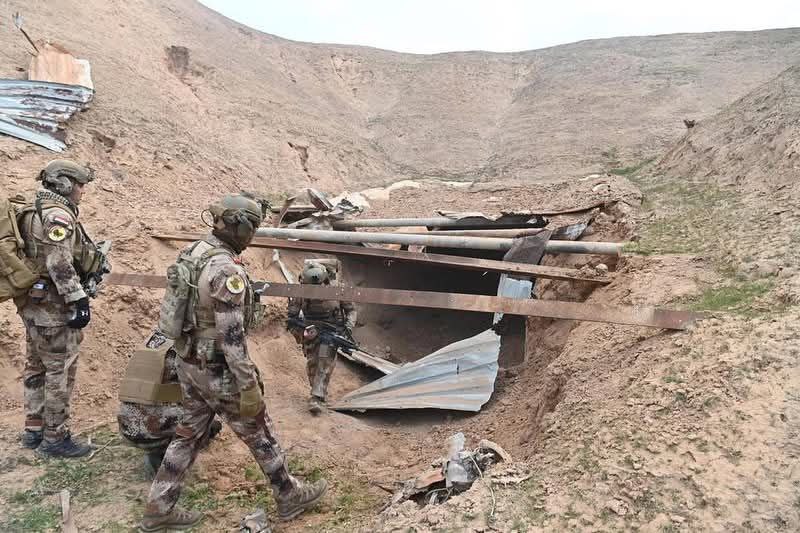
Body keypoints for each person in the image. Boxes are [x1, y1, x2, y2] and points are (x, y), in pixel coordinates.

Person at [139, 193, 327, 532]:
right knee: (260, 429)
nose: (252, 235)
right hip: (218, 369)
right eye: (252, 227)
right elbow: (232, 339)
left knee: (187, 434)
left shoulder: (194, 252)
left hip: (189, 361)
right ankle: (289, 494)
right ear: (240, 226)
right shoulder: (226, 270)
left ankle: (159, 506)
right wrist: (248, 384)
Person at [16, 159, 104, 458]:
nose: (82, 191)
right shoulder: (57, 215)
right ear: (64, 183)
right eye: (80, 184)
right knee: (59, 370)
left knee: (36, 367)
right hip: (53, 307)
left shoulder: (33, 208)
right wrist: (77, 300)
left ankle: (33, 430)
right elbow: (59, 262)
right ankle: (55, 438)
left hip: (33, 302)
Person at [117, 331, 222, 478]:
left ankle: (157, 448)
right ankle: (168, 460)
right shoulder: (193, 345)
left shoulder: (154, 339)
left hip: (128, 427)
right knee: (209, 415)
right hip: (155, 431)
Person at [287, 261, 357, 414]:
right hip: (310, 331)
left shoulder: (338, 289)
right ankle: (317, 392)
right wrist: (300, 334)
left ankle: (316, 397)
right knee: (313, 362)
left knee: (324, 361)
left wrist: (347, 328)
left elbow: (351, 311)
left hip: (331, 331)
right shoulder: (300, 292)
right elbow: (291, 319)